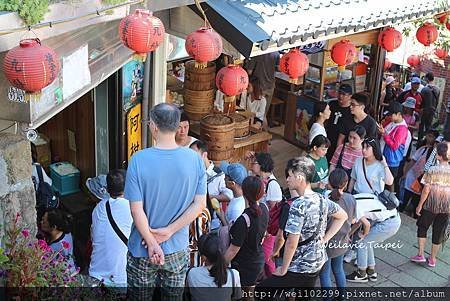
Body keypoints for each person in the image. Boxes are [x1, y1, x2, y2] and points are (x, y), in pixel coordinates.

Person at [124, 103, 207, 300]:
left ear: (153, 126)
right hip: (176, 247)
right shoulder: (195, 160)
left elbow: (136, 211)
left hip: (142, 247)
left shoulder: (138, 160)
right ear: (178, 126)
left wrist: (152, 242)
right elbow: (199, 205)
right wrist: (169, 231)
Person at [256, 157, 347, 292]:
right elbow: (342, 216)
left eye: (290, 176)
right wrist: (324, 240)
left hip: (301, 265)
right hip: (318, 261)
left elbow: (292, 242)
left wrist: (284, 269)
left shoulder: (298, 205)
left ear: (299, 177)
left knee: (261, 292)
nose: (286, 179)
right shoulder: (321, 198)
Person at [320, 169, 365, 298]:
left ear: (329, 182)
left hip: (326, 242)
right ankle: (342, 296)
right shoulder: (351, 199)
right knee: (338, 269)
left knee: (324, 273)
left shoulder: (325, 200)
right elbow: (355, 220)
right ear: (345, 184)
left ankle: (327, 298)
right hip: (342, 241)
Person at [224, 176, 269, 292]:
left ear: (244, 192)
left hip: (245, 263)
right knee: (250, 293)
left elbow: (233, 250)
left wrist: (219, 266)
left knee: (245, 294)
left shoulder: (244, 220)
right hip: (258, 259)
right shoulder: (264, 209)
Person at [89, 169, 132, 287]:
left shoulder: (98, 209)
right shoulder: (132, 208)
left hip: (96, 274)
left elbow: (93, 237)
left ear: (107, 189)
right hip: (119, 277)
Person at [346, 192, 401, 282]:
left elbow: (366, 224)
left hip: (388, 224)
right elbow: (359, 221)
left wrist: (363, 235)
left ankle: (361, 273)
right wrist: (349, 234)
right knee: (368, 243)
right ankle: (371, 271)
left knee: (362, 244)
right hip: (393, 218)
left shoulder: (356, 207)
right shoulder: (355, 198)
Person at [412, 143, 450, 267]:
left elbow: (426, 190)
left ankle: (420, 254)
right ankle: (433, 259)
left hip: (430, 205)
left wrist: (419, 205)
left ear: (438, 156)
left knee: (423, 227)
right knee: (438, 232)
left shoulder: (432, 170)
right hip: (445, 207)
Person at [250, 152, 282, 277]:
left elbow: (274, 211)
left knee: (267, 258)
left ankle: (273, 283)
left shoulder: (272, 184)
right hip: (262, 226)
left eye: (254, 163)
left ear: (261, 165)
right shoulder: (261, 179)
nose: (252, 165)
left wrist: (267, 229)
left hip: (269, 230)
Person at [190, 140, 233, 228]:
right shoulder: (191, 172)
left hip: (212, 222)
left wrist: (209, 197)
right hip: (194, 219)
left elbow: (229, 196)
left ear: (204, 155)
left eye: (194, 155)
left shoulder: (218, 174)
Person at [186, 234, 242, 301]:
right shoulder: (234, 275)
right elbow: (237, 297)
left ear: (203, 257)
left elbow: (187, 295)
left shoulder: (191, 274)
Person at [270, 159, 300, 268]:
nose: (287, 180)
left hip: (286, 251)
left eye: (289, 177)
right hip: (301, 252)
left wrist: (275, 251)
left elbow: (281, 236)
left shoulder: (288, 206)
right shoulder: (310, 200)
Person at [400, 131, 437, 217]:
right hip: (412, 178)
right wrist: (405, 173)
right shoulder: (424, 149)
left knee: (416, 203)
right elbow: (413, 161)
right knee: (405, 199)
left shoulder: (439, 159)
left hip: (422, 184)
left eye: (431, 137)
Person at [378, 101, 409, 190]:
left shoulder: (402, 128)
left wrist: (384, 134)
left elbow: (395, 145)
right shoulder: (391, 121)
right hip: (384, 156)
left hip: (391, 161)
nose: (389, 116)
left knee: (389, 182)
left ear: (399, 114)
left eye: (391, 115)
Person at [245, 52, 279, 129]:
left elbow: (249, 71)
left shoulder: (256, 53)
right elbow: (279, 68)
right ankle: (265, 137)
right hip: (270, 86)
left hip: (258, 86)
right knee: (263, 114)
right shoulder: (276, 53)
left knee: (261, 115)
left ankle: (263, 136)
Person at [325, 84, 354, 162]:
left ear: (350, 96)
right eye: (339, 93)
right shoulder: (332, 104)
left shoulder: (351, 111)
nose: (340, 96)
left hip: (341, 142)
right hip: (328, 137)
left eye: (344, 94)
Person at [418, 72, 440, 141]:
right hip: (432, 110)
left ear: (427, 78)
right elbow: (437, 102)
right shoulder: (437, 89)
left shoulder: (424, 89)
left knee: (421, 127)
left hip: (424, 111)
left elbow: (420, 101)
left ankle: (419, 142)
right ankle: (427, 141)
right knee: (428, 128)